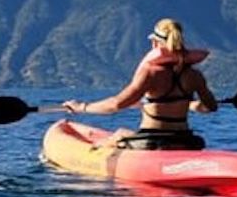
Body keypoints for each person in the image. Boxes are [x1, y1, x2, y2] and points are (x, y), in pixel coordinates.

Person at [62, 18, 218, 150]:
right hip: (185, 140)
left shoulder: (151, 73)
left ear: (156, 43)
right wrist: (189, 104)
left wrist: (81, 107)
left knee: (120, 134)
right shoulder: (195, 76)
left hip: (153, 141)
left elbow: (115, 104)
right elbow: (210, 107)